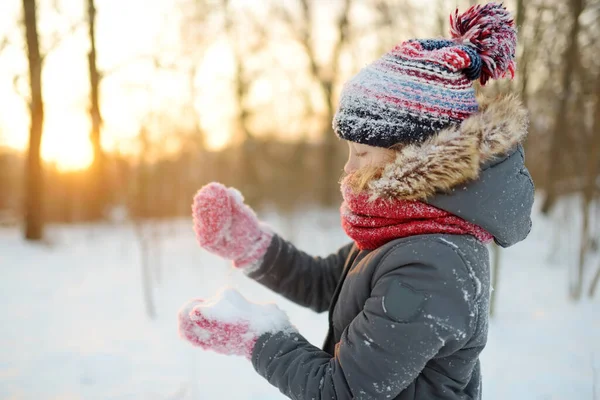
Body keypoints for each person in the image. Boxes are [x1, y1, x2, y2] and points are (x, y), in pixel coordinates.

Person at [178, 3, 534, 399]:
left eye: (362, 153)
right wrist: (252, 247)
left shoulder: (433, 261)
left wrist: (258, 336)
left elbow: (343, 391)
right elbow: (327, 284)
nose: (349, 168)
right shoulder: (409, 227)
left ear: (412, 153)